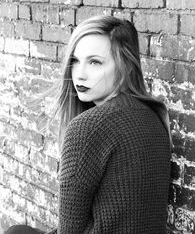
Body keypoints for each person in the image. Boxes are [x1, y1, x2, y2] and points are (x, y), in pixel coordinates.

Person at [5, 15, 171, 234]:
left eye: (95, 62)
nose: (79, 74)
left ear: (126, 66)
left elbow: (70, 230)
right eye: (75, 61)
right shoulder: (154, 115)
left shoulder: (88, 127)